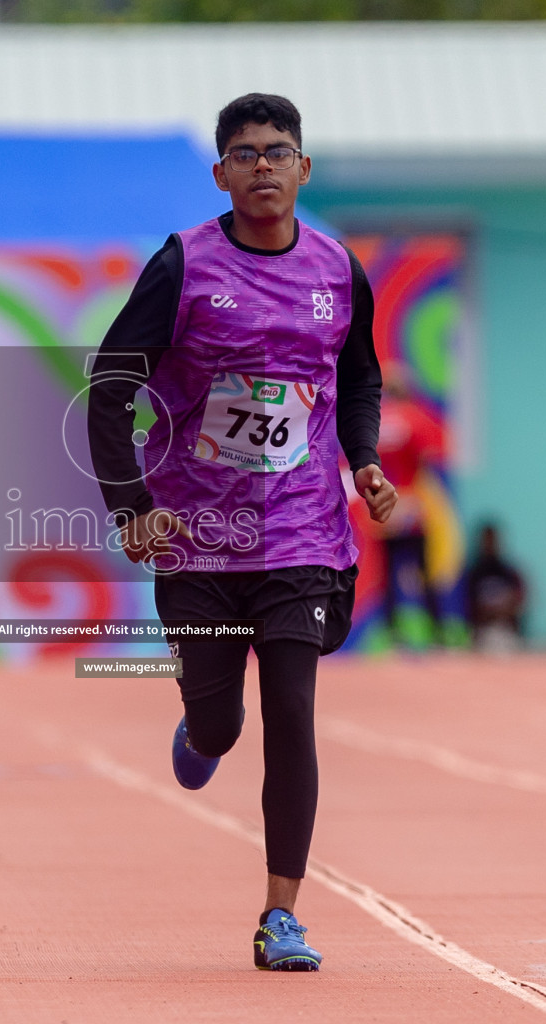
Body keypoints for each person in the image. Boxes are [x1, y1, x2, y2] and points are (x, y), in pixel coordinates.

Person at [87, 93, 395, 972]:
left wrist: (362, 458)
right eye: (245, 153)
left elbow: (360, 375)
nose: (263, 165)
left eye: (279, 151)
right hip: (197, 538)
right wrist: (131, 505)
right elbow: (108, 390)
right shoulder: (184, 263)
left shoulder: (339, 269)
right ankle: (199, 730)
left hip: (301, 534)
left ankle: (280, 916)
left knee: (291, 715)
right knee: (221, 725)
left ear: (304, 169)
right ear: (222, 173)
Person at [374, 364, 449, 646]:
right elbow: (431, 456)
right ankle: (437, 634)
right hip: (412, 505)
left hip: (384, 507)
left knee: (389, 576)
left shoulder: (376, 420)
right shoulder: (415, 418)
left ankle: (393, 635)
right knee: (423, 571)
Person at [464, 521, 527, 649]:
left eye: (492, 540)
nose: (489, 544)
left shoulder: (509, 573)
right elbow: (467, 605)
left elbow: (519, 602)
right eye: (486, 540)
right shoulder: (473, 574)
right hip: (481, 634)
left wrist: (499, 613)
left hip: (506, 633)